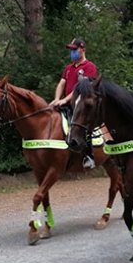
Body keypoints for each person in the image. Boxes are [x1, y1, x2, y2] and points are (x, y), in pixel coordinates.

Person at [49, 38, 97, 169]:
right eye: (71, 50)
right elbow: (61, 83)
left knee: (82, 125)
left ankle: (89, 155)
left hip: (79, 105)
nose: (72, 52)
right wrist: (57, 98)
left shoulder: (89, 67)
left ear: (83, 50)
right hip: (66, 102)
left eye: (74, 50)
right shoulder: (69, 68)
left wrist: (65, 100)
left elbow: (80, 88)